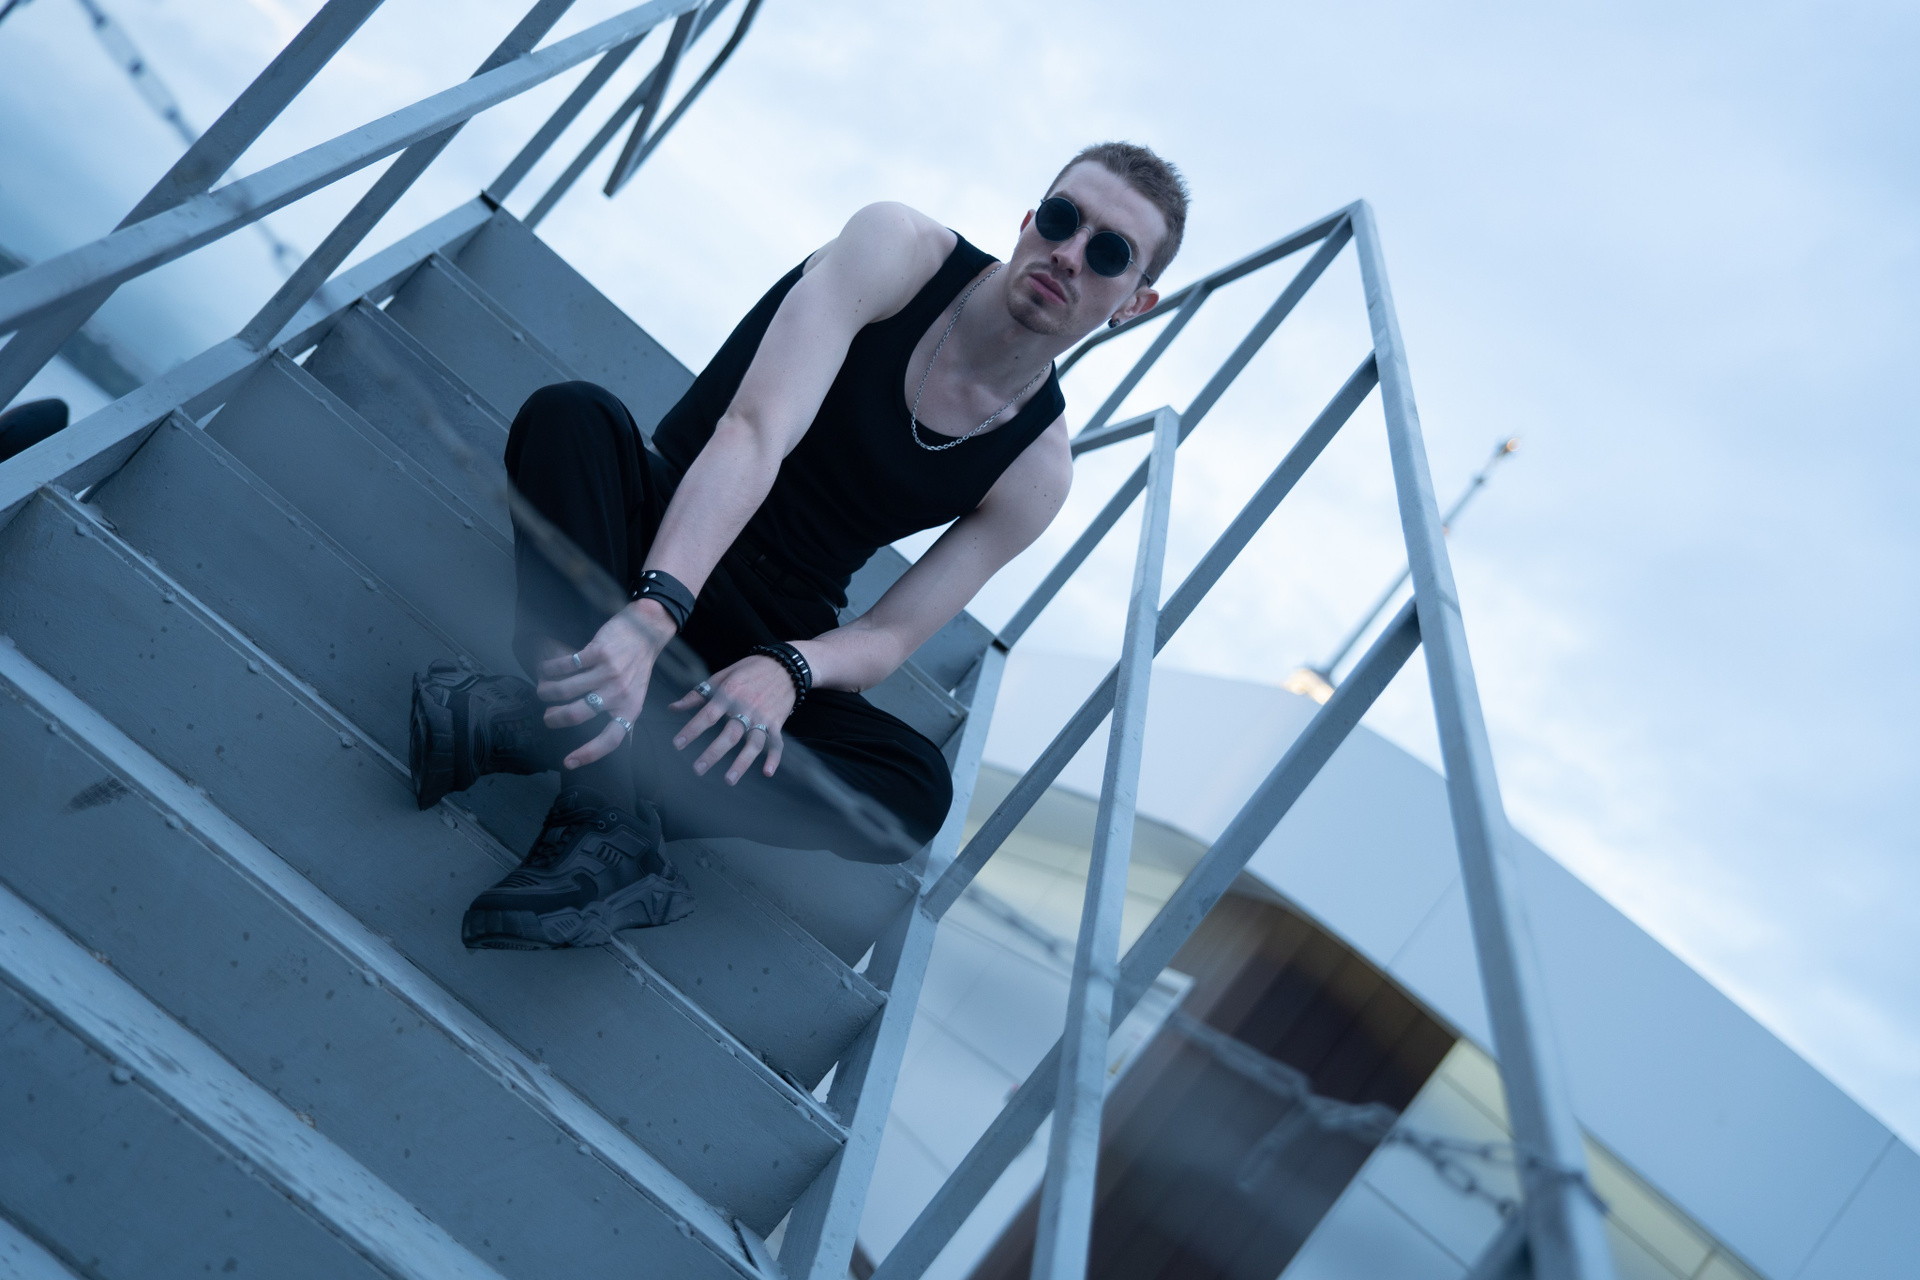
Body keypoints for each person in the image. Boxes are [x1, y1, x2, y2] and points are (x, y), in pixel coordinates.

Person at [410, 142, 1190, 950]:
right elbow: (755, 432)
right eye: (1061, 219)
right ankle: (609, 823)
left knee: (911, 792)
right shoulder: (898, 252)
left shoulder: (1038, 471)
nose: (1069, 253)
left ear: (1135, 303)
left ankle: (538, 725)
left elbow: (887, 636)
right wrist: (652, 612)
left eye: (1109, 253)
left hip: (772, 626)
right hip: (667, 531)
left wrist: (790, 668)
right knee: (572, 419)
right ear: (1029, 221)